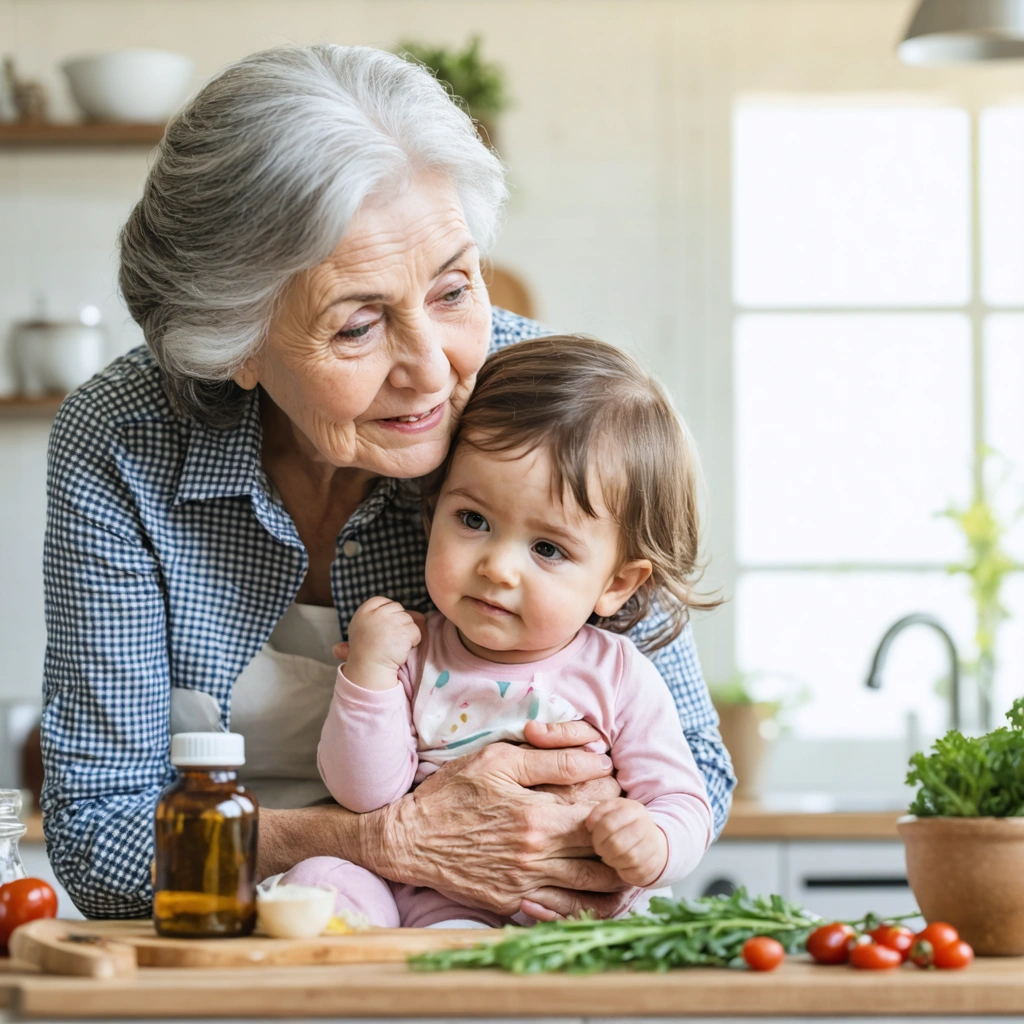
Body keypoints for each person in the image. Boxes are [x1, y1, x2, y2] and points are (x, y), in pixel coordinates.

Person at [40, 43, 734, 921]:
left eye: (453, 290)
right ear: (236, 342)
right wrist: (382, 839)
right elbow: (101, 841)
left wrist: (593, 836)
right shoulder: (126, 441)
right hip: (236, 956)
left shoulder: (543, 411)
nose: (432, 372)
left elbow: (695, 772)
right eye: (360, 325)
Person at [281, 336, 715, 928]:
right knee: (317, 881)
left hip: (553, 920)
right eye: (474, 520)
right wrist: (369, 675)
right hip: (414, 899)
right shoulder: (411, 648)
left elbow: (684, 797)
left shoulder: (616, 673)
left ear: (616, 582)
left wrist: (654, 840)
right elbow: (366, 796)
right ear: (431, 511)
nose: (497, 567)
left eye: (546, 548)